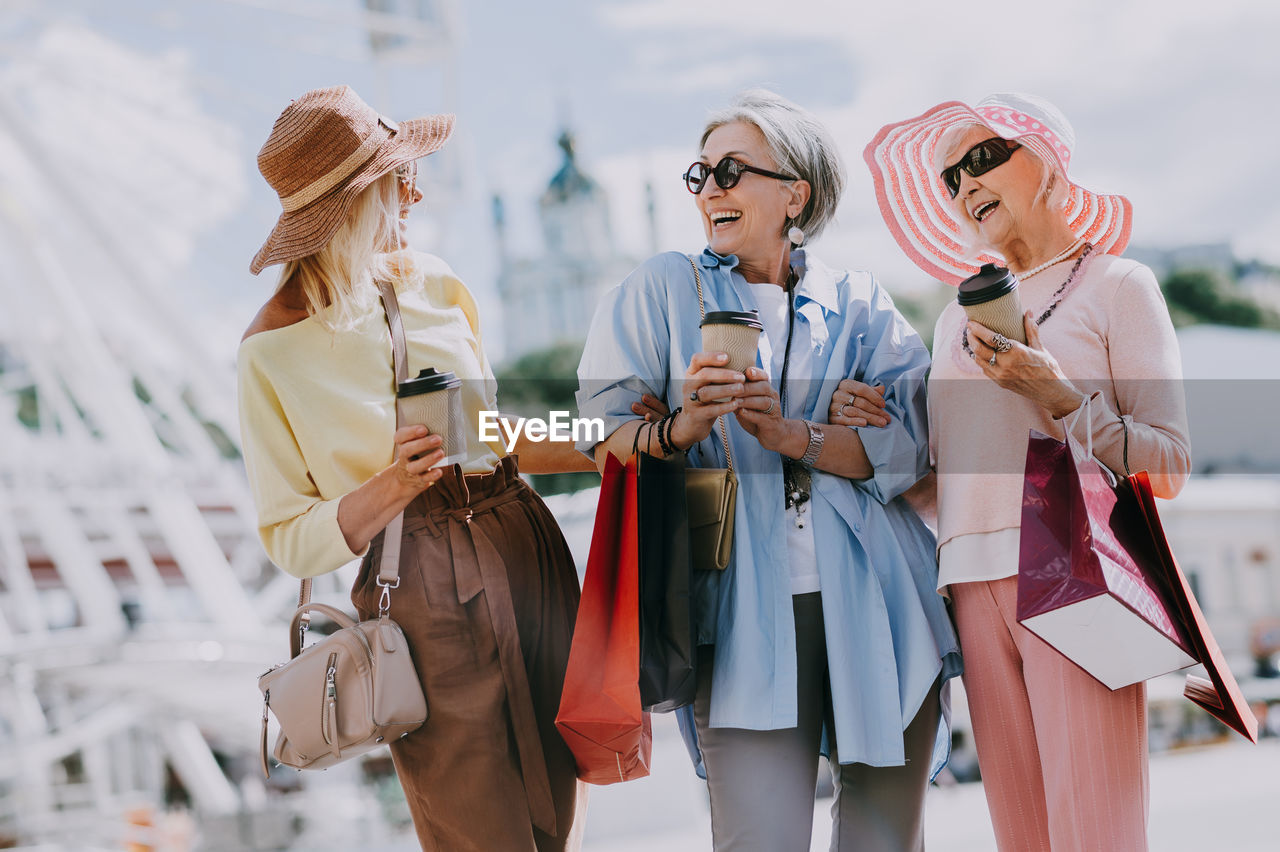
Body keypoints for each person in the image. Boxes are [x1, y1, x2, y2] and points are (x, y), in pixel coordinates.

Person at [576, 89, 961, 852]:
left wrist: (797, 437)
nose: (712, 187)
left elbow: (913, 448)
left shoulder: (860, 302)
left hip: (881, 609)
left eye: (732, 169)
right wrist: (681, 425)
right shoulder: (662, 288)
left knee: (884, 843)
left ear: (796, 194)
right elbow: (597, 429)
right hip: (736, 615)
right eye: (701, 174)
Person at [237, 86, 590, 851]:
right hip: (420, 594)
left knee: (559, 821)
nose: (417, 190)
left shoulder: (433, 281)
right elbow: (289, 537)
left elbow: (495, 433)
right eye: (401, 177)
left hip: (524, 550)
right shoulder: (270, 351)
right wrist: (393, 483)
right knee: (477, 829)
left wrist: (626, 436)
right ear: (357, 200)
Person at [859, 93, 1191, 850]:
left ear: (1047, 159)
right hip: (969, 585)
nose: (967, 184)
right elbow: (942, 484)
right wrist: (875, 432)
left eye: (984, 158)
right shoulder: (951, 320)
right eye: (951, 178)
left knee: (1094, 829)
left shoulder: (1118, 286)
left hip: (1074, 567)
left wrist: (1056, 394)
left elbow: (1168, 465)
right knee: (1023, 835)